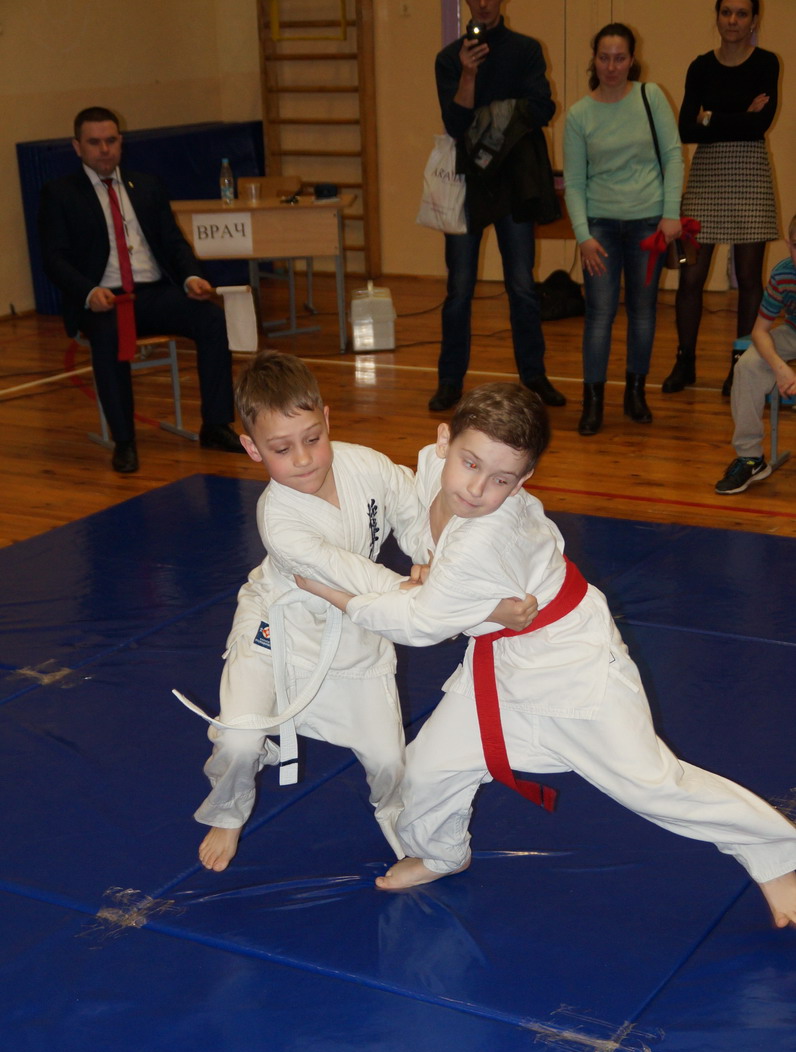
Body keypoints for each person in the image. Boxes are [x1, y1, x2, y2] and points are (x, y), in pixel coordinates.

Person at [297, 382, 796, 929]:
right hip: (501, 663)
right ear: (443, 441)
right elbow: (423, 528)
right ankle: (442, 853)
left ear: (523, 480)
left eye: (501, 479)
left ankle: (778, 856)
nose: (476, 488)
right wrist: (433, 573)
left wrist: (334, 592)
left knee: (654, 785)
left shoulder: (484, 537)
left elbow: (417, 624)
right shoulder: (432, 466)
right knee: (427, 771)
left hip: (572, 665)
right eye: (470, 463)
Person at [178, 350, 534, 873]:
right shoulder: (279, 521)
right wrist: (448, 598)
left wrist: (429, 560)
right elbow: (357, 577)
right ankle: (228, 811)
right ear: (252, 448)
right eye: (282, 449)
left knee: (388, 758)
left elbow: (412, 513)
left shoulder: (365, 464)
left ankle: (404, 823)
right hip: (279, 624)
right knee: (238, 738)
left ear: (327, 419)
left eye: (312, 438)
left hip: (356, 628)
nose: (303, 459)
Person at [39, 106, 244, 474]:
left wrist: (191, 278)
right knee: (109, 336)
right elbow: (54, 259)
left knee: (212, 320)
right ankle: (124, 441)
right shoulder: (60, 194)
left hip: (152, 292)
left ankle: (216, 425)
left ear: (121, 142)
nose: (104, 149)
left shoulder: (147, 186)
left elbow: (174, 243)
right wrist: (88, 292)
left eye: (111, 141)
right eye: (94, 142)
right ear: (77, 147)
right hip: (103, 299)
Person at [429, 0, 566, 414]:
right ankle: (449, 381)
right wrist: (469, 74)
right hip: (467, 185)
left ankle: (534, 376)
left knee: (522, 287)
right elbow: (455, 124)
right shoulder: (449, 59)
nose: (485, 3)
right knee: (459, 289)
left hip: (514, 182)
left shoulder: (525, 49)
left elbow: (544, 107)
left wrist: (495, 116)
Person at [563, 23, 683, 436]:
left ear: (632, 60)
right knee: (599, 314)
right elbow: (574, 182)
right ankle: (593, 401)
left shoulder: (651, 97)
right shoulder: (579, 115)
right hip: (600, 228)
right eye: (604, 58)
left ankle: (635, 393)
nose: (611, 66)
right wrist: (583, 235)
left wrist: (671, 213)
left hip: (648, 222)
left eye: (619, 58)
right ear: (593, 60)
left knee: (643, 311)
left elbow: (673, 156)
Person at [661, 0, 779, 396]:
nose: (733, 20)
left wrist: (710, 116)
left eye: (742, 13)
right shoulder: (700, 66)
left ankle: (741, 364)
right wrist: (739, 115)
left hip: (750, 173)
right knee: (691, 275)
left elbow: (759, 125)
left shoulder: (766, 63)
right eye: (726, 12)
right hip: (707, 175)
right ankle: (685, 361)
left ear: (753, 20)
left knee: (748, 278)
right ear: (717, 16)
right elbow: (686, 129)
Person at [715, 212, 796, 494]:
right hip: (793, 331)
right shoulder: (783, 274)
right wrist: (780, 367)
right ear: (788, 243)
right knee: (748, 365)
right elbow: (760, 331)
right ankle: (751, 458)